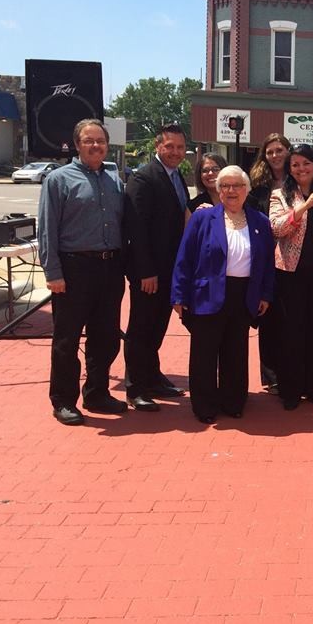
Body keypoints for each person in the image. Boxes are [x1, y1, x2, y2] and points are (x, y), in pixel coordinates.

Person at [38, 119, 127, 425]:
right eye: (88, 141)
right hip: (74, 268)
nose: (95, 146)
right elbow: (47, 228)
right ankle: (63, 400)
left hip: (110, 267)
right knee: (67, 339)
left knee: (106, 337)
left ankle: (97, 392)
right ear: (77, 144)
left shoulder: (114, 179)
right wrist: (53, 272)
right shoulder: (59, 180)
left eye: (100, 141)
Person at [171, 166, 274, 424]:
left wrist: (265, 294)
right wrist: (179, 296)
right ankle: (204, 405)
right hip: (207, 294)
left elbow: (267, 263)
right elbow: (185, 258)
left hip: (244, 294)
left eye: (237, 185)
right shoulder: (202, 218)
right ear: (218, 190)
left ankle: (233, 401)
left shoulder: (260, 221)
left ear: (246, 190)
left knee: (235, 351)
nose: (231, 191)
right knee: (204, 353)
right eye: (225, 186)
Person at [123, 123, 190, 411]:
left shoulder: (178, 177)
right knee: (141, 328)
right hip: (149, 272)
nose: (175, 152)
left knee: (158, 326)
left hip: (169, 269)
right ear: (157, 146)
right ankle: (135, 387)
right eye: (169, 146)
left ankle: (152, 377)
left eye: (179, 147)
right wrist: (145, 271)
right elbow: (136, 228)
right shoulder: (143, 178)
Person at [268, 145, 313, 410]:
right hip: (291, 272)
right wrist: (303, 208)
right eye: (295, 165)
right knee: (291, 331)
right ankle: (291, 390)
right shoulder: (280, 195)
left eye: (306, 163)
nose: (301, 169)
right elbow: (276, 228)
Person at [248, 133, 291, 396]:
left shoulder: (298, 181)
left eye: (279, 150)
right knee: (268, 317)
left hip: (293, 258)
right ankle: (271, 375)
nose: (275, 155)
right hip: (266, 258)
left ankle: (290, 371)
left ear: (288, 151)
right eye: (270, 151)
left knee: (289, 317)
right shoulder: (258, 188)